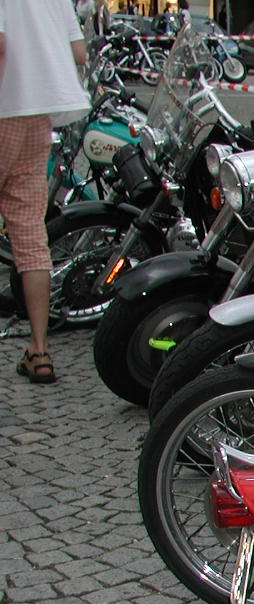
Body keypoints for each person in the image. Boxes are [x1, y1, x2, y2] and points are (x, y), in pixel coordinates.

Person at [0, 0, 90, 384]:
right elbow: (79, 53)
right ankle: (39, 350)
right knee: (31, 237)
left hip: (4, 110)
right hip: (37, 117)